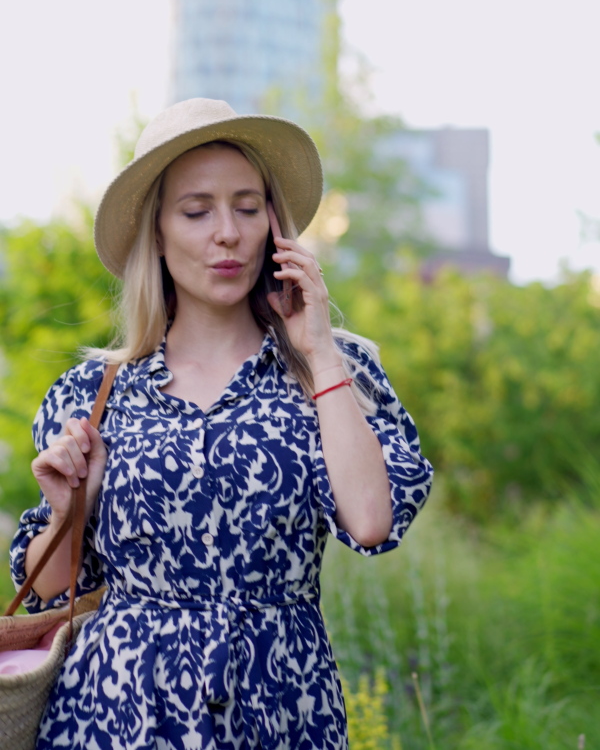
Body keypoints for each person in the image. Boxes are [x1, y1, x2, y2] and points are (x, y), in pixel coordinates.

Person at [10, 97, 433, 750]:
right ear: (157, 230)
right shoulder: (96, 392)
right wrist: (70, 506)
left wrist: (319, 348)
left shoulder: (328, 373)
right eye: (197, 210)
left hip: (279, 709)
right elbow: (47, 590)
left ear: (273, 224)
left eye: (246, 205)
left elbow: (372, 521)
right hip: (116, 713)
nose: (228, 232)